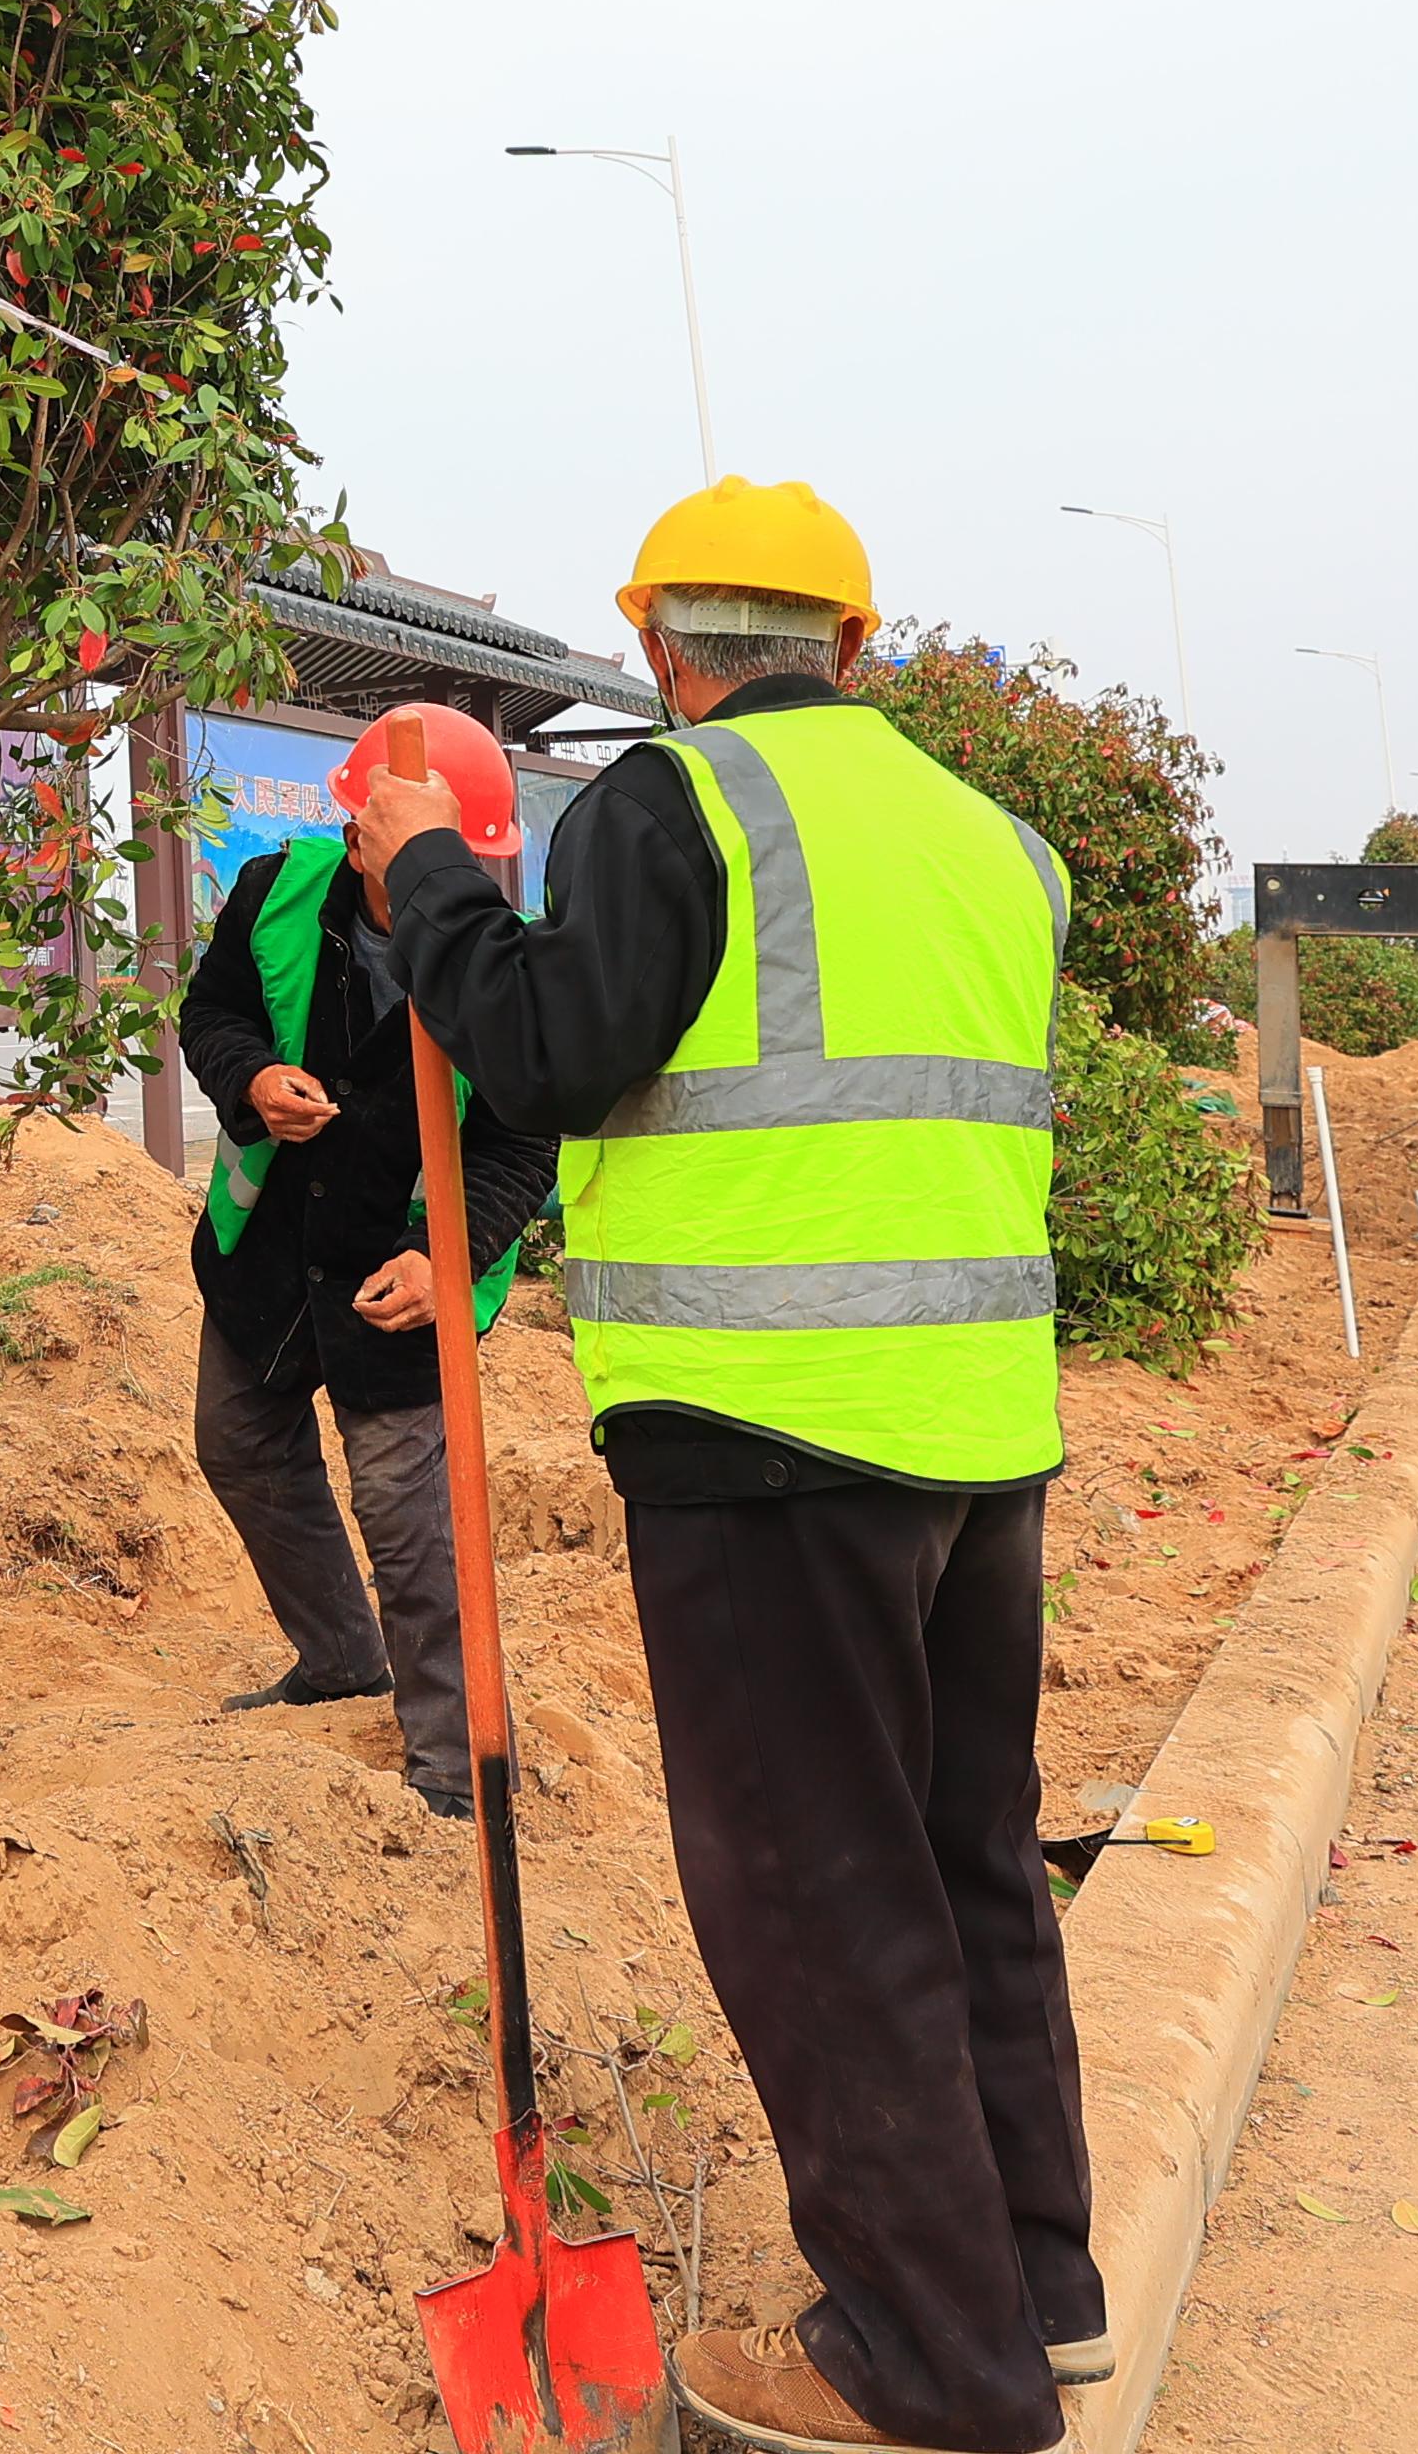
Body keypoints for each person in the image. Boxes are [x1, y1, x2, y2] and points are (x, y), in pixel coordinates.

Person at [351, 479, 1090, 2454]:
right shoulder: (996, 844)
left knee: (816, 1896)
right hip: (978, 1436)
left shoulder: (679, 805)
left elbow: (547, 1052)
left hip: (770, 1443)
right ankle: (1035, 2291)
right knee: (966, 1866)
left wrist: (423, 873)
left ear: (665, 655)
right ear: (855, 649)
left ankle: (928, 2367)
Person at [175, 703, 557, 1818]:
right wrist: (249, 1078)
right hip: (272, 1251)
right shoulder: (277, 896)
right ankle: (341, 1657)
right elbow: (214, 1012)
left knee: (409, 1518)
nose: (460, 876)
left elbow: (524, 1140)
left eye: (473, 855)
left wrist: (447, 1258)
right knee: (238, 1442)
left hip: (402, 1281)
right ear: (360, 834)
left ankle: (453, 1768)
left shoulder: (504, 961)